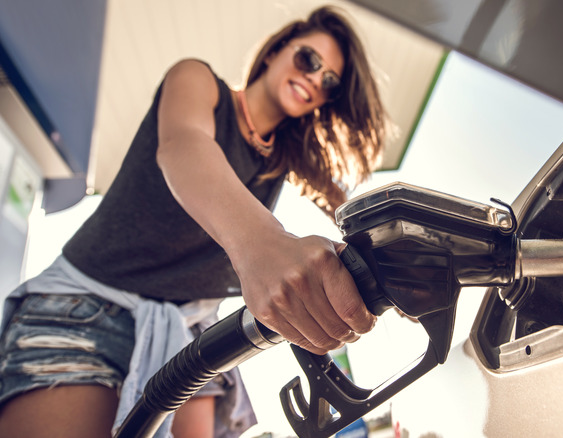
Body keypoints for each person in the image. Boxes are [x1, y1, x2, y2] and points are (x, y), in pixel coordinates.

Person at [0, 5, 386, 438]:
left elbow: (348, 209)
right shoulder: (199, 82)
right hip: (91, 302)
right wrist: (263, 245)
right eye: (309, 60)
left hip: (187, 330)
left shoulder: (285, 157)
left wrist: (398, 256)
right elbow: (184, 145)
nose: (315, 78)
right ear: (277, 50)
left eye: (329, 81)